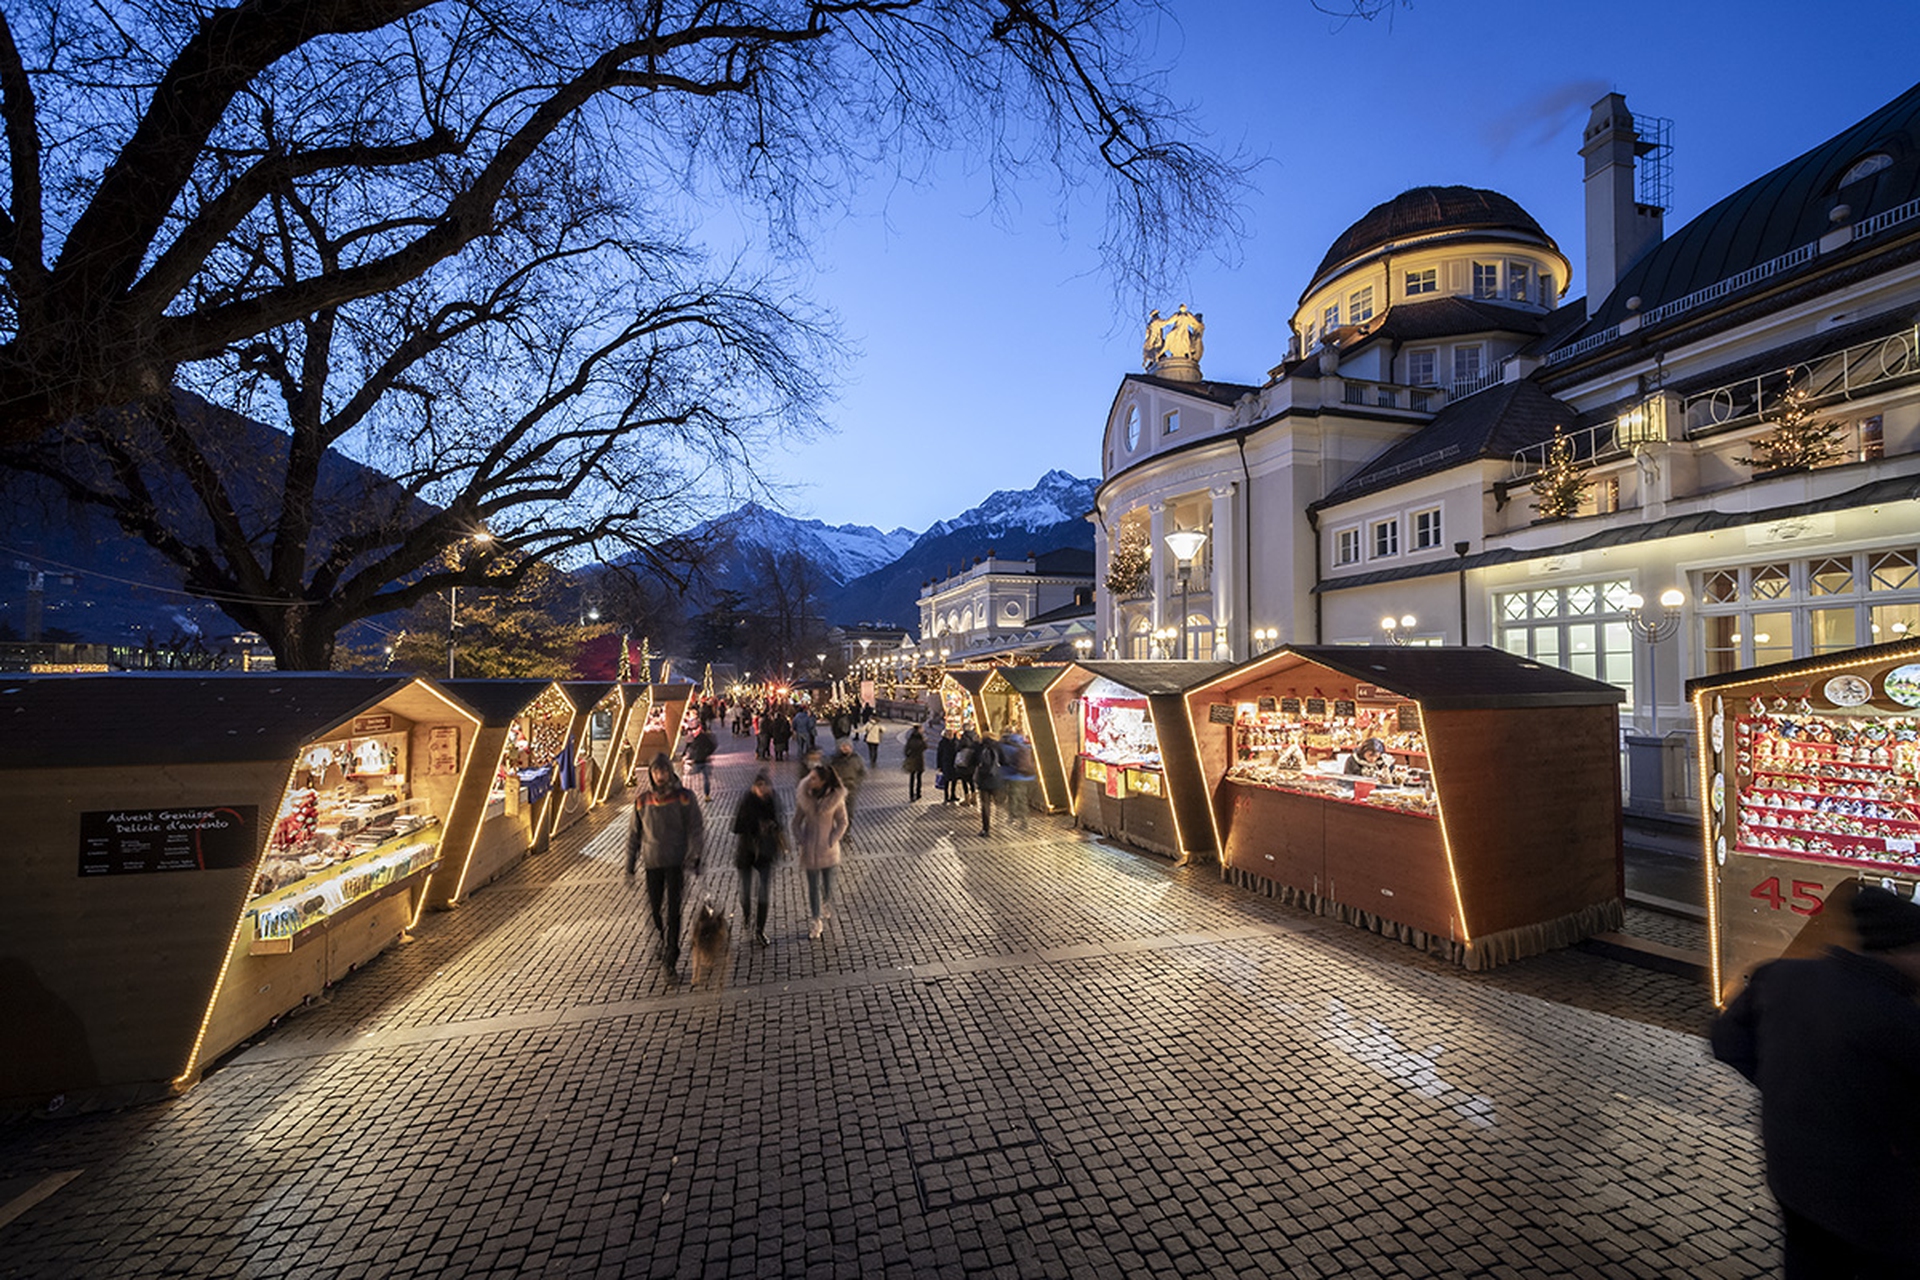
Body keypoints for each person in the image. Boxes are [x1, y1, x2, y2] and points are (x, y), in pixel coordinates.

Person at [1710, 885, 1920, 1278]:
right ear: (1898, 951)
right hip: (1873, 1199)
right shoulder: (1899, 1019)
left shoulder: (1782, 976)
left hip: (1791, 1176)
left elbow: (1726, 1040)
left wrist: (1779, 1082)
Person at [626, 753, 706, 973]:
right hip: (653, 863)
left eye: (663, 771)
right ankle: (662, 940)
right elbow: (634, 833)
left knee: (673, 911)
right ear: (651, 774)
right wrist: (630, 864)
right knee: (655, 910)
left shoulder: (684, 798)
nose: (660, 775)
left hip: (676, 861)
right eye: (655, 771)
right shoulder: (642, 801)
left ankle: (672, 952)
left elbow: (695, 828)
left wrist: (695, 854)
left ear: (670, 772)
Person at [792, 765, 849, 939]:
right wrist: (802, 839)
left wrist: (832, 839)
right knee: (812, 888)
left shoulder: (835, 799)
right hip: (809, 850)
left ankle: (826, 901)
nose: (810, 780)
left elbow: (842, 822)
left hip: (828, 850)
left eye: (814, 778)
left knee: (828, 884)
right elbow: (795, 822)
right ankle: (816, 920)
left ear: (823, 781)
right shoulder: (805, 798)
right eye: (810, 777)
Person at [730, 770, 784, 946]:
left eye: (765, 785)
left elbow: (779, 823)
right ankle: (746, 914)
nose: (762, 789)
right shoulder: (747, 801)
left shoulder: (772, 801)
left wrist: (772, 826)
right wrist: (755, 825)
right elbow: (736, 826)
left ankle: (760, 929)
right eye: (759, 786)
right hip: (746, 852)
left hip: (766, 852)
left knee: (763, 894)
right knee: (745, 892)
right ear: (754, 787)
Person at [999, 729, 1036, 828]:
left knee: (1014, 798)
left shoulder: (1003, 747)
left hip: (1011, 776)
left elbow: (1002, 761)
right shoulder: (1024, 745)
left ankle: (1016, 818)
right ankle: (1021, 819)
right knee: (1022, 798)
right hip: (1026, 776)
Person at [830, 740, 867, 835]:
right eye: (843, 746)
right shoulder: (833, 759)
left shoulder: (857, 759)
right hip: (837, 789)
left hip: (851, 788)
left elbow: (862, 772)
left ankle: (847, 830)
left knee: (849, 811)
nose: (845, 748)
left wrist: (856, 783)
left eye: (847, 746)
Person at [972, 733, 1002, 837]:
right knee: (999, 802)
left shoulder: (980, 748)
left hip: (983, 780)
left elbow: (973, 761)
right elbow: (1004, 762)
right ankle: (1000, 823)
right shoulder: (998, 747)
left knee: (985, 805)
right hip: (996, 779)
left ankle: (986, 829)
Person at [681, 721, 717, 799]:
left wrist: (706, 754)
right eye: (692, 729)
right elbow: (688, 748)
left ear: (699, 728)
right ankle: (688, 795)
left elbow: (712, 746)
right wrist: (686, 756)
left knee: (705, 779)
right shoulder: (692, 737)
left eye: (695, 729)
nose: (693, 731)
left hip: (703, 761)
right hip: (696, 761)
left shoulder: (703, 737)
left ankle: (707, 795)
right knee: (690, 778)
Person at [903, 725, 928, 801]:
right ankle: (918, 793)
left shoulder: (910, 739)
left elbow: (906, 750)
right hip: (919, 760)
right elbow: (925, 747)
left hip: (912, 760)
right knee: (919, 778)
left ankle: (911, 794)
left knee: (912, 777)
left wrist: (909, 756)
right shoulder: (921, 739)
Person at [937, 727, 961, 804]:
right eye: (948, 733)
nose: (950, 735)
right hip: (946, 763)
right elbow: (939, 754)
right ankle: (946, 796)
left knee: (954, 780)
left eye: (951, 733)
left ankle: (953, 795)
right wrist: (939, 766)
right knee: (946, 780)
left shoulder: (956, 741)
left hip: (954, 763)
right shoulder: (943, 742)